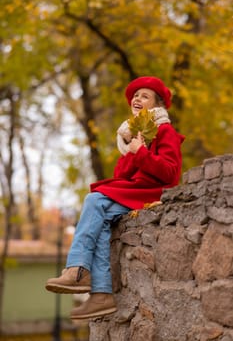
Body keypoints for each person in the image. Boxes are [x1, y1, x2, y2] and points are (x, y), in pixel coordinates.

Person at [45, 76, 185, 320]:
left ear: (157, 105)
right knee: (98, 218)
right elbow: (121, 174)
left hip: (151, 193)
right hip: (132, 191)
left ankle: (78, 269)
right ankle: (101, 295)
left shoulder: (165, 131)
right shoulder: (132, 133)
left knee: (93, 200)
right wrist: (133, 147)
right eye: (135, 95)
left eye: (145, 96)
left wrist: (141, 152)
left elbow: (171, 174)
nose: (137, 99)